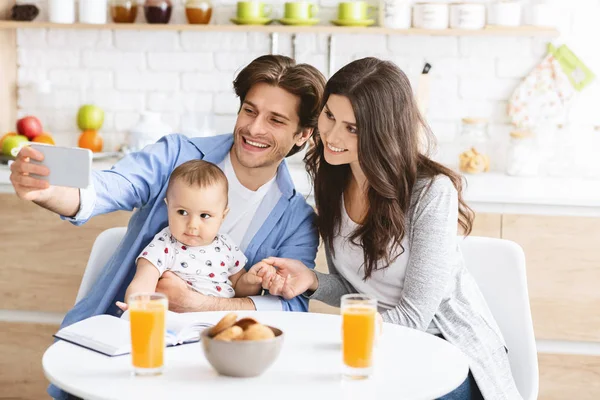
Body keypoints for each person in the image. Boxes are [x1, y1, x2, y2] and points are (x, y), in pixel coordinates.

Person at [9, 55, 325, 399]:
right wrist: (54, 191)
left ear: (303, 134)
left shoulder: (297, 218)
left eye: (275, 120)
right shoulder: (177, 156)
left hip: (221, 369)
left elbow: (292, 308)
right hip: (129, 351)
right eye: (249, 111)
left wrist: (200, 304)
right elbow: (113, 186)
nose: (254, 128)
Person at [257, 58, 522, 400]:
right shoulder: (334, 179)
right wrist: (312, 281)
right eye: (330, 116)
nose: (333, 137)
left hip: (447, 351)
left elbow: (415, 315)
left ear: (382, 131)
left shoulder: (430, 192)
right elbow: (361, 295)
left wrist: (344, 338)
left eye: (352, 128)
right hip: (382, 344)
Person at [118, 160, 277, 309]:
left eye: (204, 216)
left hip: (220, 319)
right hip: (177, 321)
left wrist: (251, 281)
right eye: (182, 212)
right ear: (168, 207)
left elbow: (239, 289)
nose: (192, 225)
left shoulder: (226, 246)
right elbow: (143, 283)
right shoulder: (164, 244)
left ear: (223, 216)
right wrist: (137, 306)